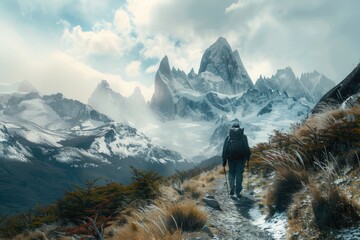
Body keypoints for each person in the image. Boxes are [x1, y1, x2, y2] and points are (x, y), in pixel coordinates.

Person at [222, 123, 251, 198]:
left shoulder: (228, 137)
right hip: (241, 159)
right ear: (239, 128)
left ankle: (232, 187)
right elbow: (246, 147)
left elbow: (225, 149)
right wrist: (248, 157)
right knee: (239, 175)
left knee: (231, 173)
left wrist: (224, 160)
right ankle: (238, 191)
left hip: (231, 159)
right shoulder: (243, 136)